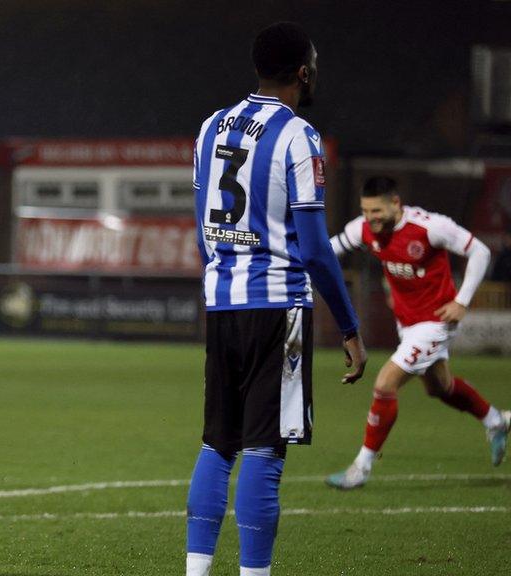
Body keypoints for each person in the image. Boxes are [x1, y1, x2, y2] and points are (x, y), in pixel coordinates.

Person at [187, 22, 366, 576]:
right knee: (266, 448)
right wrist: (352, 328)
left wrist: (223, 275)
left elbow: (201, 232)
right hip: (279, 308)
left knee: (219, 442)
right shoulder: (298, 137)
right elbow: (314, 249)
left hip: (221, 302)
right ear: (303, 72)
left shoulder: (210, 127)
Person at [325, 176, 509, 489]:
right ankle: (496, 421)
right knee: (440, 387)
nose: (371, 218)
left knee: (385, 384)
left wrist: (462, 301)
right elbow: (330, 250)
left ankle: (361, 468)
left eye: (377, 211)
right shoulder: (364, 228)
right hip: (407, 324)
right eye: (366, 211)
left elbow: (480, 252)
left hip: (436, 322)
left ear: (396, 204)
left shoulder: (430, 227)